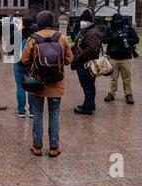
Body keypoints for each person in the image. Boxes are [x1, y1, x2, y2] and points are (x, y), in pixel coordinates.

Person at [21, 11, 73, 157]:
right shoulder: (61, 38)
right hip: (57, 83)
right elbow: (69, 59)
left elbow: (25, 59)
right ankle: (54, 147)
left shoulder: (33, 38)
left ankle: (37, 146)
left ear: (38, 22)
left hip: (38, 83)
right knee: (54, 114)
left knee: (37, 113)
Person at [71, 9, 103, 115]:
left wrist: (79, 56)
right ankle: (89, 103)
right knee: (87, 85)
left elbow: (92, 49)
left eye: (84, 20)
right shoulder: (86, 30)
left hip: (86, 64)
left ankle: (88, 107)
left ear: (89, 21)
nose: (82, 22)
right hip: (83, 63)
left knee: (88, 86)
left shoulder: (92, 32)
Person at [103, 13, 140, 105]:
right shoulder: (109, 29)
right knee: (113, 78)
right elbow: (104, 40)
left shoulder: (129, 29)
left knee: (127, 78)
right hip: (113, 57)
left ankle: (128, 95)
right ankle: (111, 94)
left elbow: (136, 39)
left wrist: (126, 40)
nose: (118, 23)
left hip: (126, 58)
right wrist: (113, 38)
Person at [14, 17, 35, 118]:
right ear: (32, 24)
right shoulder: (35, 35)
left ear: (22, 24)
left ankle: (21, 111)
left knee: (20, 87)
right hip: (31, 65)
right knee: (31, 87)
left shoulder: (18, 34)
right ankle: (32, 111)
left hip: (18, 63)